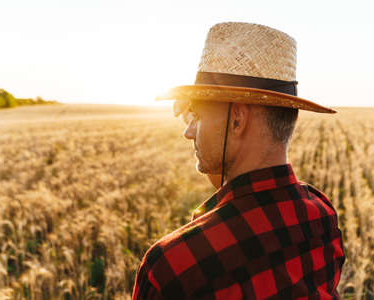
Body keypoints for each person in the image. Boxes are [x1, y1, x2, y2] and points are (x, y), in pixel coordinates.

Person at [132, 22, 345, 299]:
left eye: (197, 116)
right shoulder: (321, 216)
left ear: (237, 119)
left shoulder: (173, 267)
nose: (188, 132)